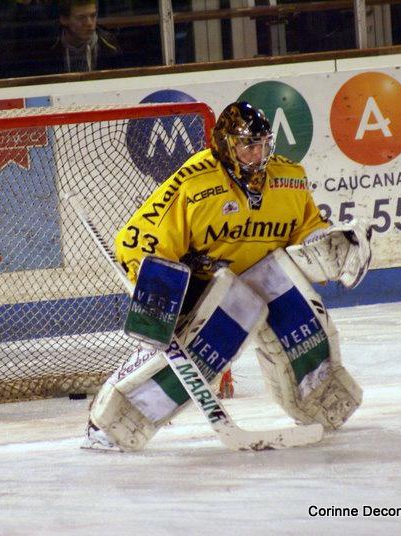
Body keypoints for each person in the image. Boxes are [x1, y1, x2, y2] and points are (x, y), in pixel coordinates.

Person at [83, 102, 372, 451]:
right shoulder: (196, 181)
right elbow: (137, 239)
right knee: (204, 350)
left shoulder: (290, 178)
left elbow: (307, 231)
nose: (258, 155)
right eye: (249, 146)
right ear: (225, 144)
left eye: (264, 144)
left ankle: (319, 405)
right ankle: (114, 421)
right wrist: (157, 288)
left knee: (303, 322)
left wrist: (333, 245)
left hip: (268, 275)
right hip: (211, 287)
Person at [48, 0, 122, 73]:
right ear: (64, 20)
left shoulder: (110, 46)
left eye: (93, 16)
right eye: (81, 18)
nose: (89, 23)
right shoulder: (49, 48)